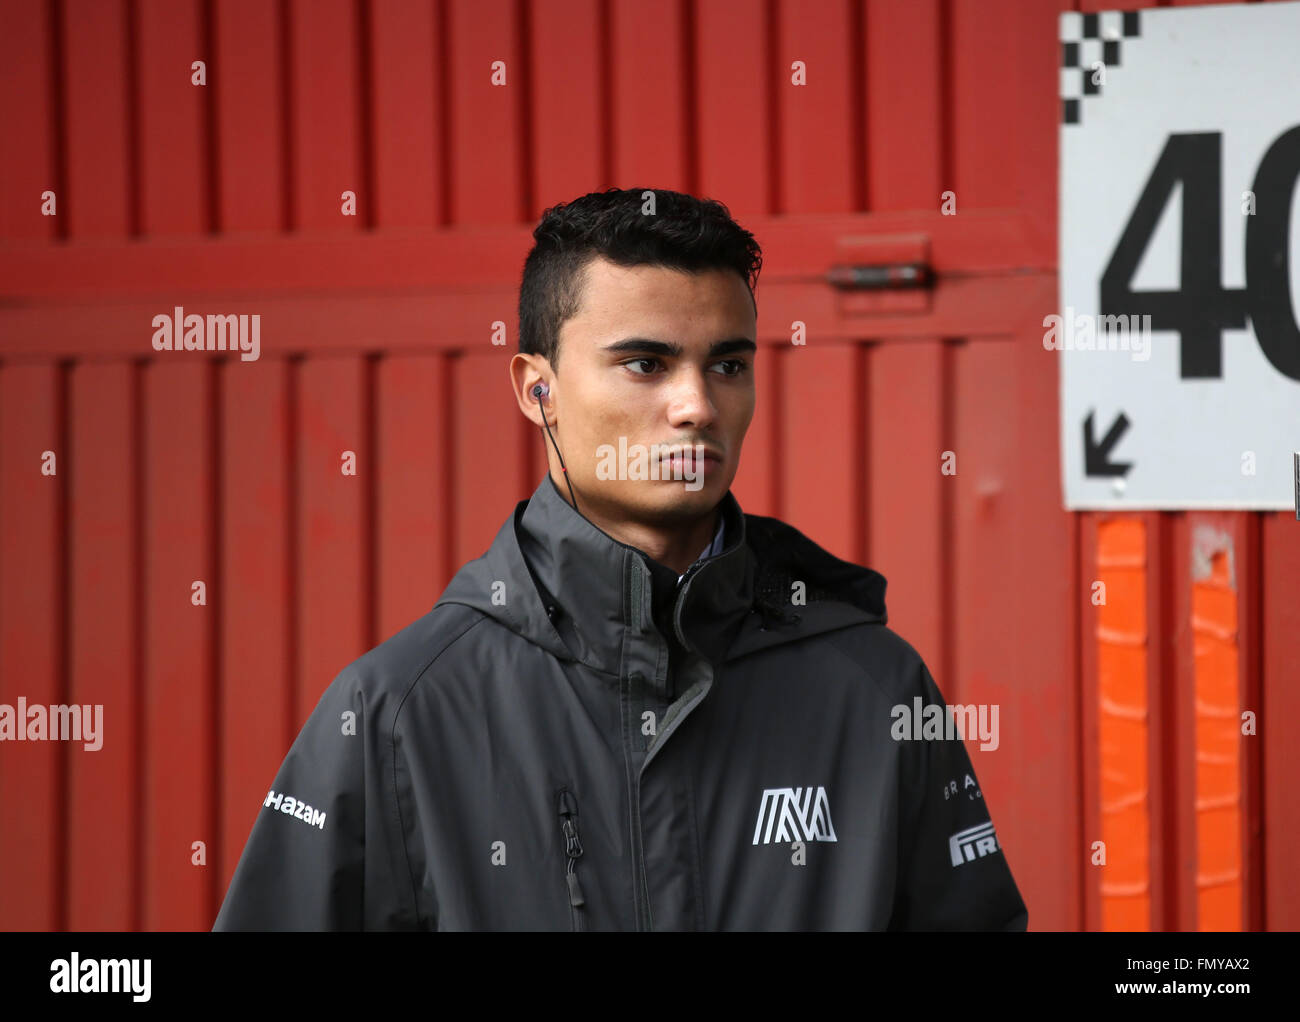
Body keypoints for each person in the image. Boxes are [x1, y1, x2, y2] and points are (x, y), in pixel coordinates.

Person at [212, 187, 1028, 931]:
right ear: (538, 389)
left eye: (728, 365)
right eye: (646, 364)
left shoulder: (876, 689)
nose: (698, 406)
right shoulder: (397, 714)